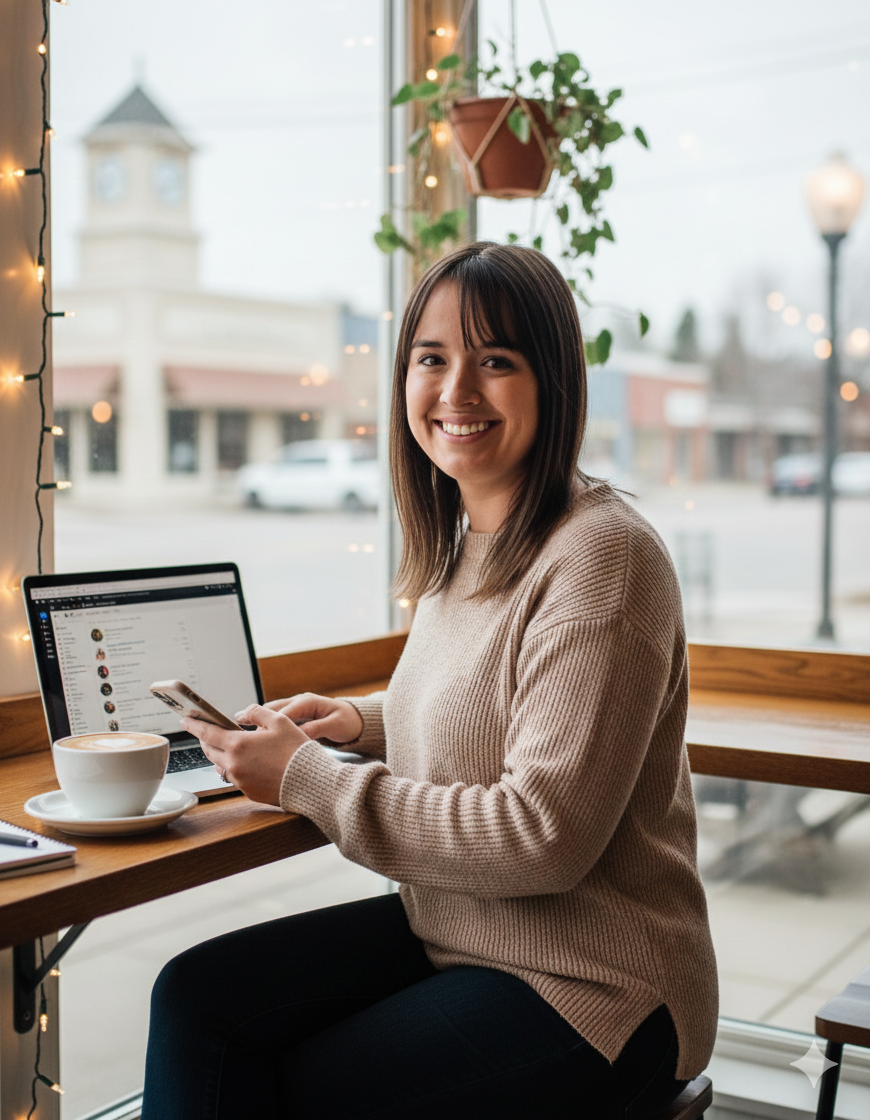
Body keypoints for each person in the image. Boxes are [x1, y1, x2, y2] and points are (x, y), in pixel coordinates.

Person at [142, 243, 718, 1120]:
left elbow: (543, 835)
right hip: (460, 933)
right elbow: (494, 699)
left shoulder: (606, 555)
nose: (457, 392)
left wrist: (308, 779)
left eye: (496, 361)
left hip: (599, 990)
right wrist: (355, 723)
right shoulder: (471, 545)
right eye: (432, 359)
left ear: (553, 380)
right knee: (195, 998)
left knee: (292, 1092)